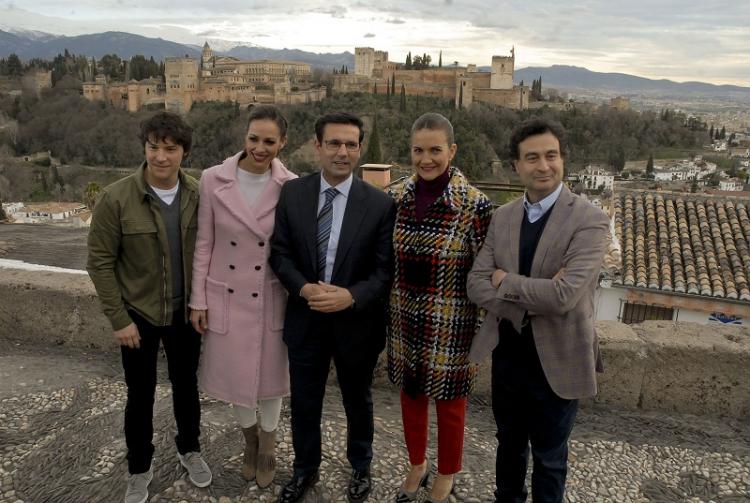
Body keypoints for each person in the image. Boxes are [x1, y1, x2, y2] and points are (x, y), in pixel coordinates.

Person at [466, 118, 609, 502]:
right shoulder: (503, 216)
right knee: (508, 445)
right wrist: (528, 296)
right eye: (532, 158)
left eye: (551, 155)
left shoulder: (590, 220)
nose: (543, 166)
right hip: (509, 355)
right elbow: (475, 283)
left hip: (560, 357)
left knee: (550, 457)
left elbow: (564, 296)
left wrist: (505, 281)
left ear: (563, 159)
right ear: (517, 165)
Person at [269, 111, 396, 503]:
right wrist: (304, 289)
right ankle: (305, 470)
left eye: (351, 144)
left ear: (359, 149)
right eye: (335, 143)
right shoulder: (292, 193)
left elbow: (383, 271)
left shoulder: (379, 204)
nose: (343, 152)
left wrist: (351, 296)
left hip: (356, 325)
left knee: (359, 401)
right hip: (306, 319)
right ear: (318, 146)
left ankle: (361, 466)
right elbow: (280, 253)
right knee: (305, 403)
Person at [87, 111, 212, 503]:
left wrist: (201, 302)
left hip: (185, 315)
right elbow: (100, 262)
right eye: (153, 147)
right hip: (137, 317)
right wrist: (118, 319)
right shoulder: (117, 197)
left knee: (187, 387)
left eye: (170, 149)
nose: (160, 157)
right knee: (139, 395)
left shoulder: (199, 195)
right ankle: (139, 467)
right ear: (144, 148)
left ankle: (189, 449)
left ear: (184, 153)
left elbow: (209, 253)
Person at [189, 105, 297, 488]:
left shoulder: (291, 185)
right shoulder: (211, 179)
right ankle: (249, 439)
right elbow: (205, 243)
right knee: (236, 377)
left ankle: (267, 442)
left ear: (282, 143)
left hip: (270, 294)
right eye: (254, 139)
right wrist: (198, 300)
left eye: (270, 141)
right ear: (244, 137)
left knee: (269, 378)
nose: (260, 148)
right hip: (227, 294)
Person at [387, 113, 493, 503]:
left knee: (451, 406)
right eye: (418, 150)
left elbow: (485, 274)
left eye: (435, 150)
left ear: (452, 150)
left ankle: (447, 472)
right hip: (403, 321)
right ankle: (417, 465)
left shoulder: (475, 207)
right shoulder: (396, 198)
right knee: (410, 398)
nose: (426, 159)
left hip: (452, 325)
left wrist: (481, 336)